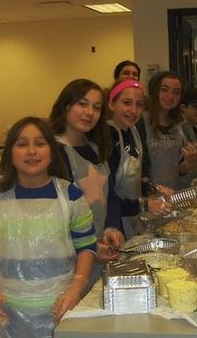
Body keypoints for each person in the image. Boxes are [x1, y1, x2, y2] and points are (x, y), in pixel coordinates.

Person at [0, 117, 96, 337]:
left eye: (40, 144)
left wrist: (76, 287)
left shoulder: (71, 196)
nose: (31, 151)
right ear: (10, 154)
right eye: (21, 144)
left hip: (59, 307)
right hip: (7, 309)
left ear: (51, 153)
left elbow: (86, 245)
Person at [50, 79, 124, 284]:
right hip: (67, 261)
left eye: (96, 107)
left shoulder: (97, 148)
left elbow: (111, 197)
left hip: (96, 254)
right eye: (82, 104)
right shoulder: (55, 152)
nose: (89, 112)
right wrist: (87, 246)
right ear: (65, 106)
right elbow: (55, 217)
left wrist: (111, 228)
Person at [107, 79, 172, 240]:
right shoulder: (108, 137)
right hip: (113, 223)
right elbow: (108, 196)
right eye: (127, 103)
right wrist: (145, 204)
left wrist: (152, 187)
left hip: (131, 217)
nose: (133, 110)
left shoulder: (133, 132)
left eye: (139, 104)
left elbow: (132, 177)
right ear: (112, 104)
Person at [136, 71, 197, 189]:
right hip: (148, 198)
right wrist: (151, 191)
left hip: (172, 196)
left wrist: (193, 162)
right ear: (154, 91)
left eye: (176, 92)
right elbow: (137, 169)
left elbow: (177, 168)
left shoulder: (179, 125)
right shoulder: (141, 122)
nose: (170, 96)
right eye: (164, 90)